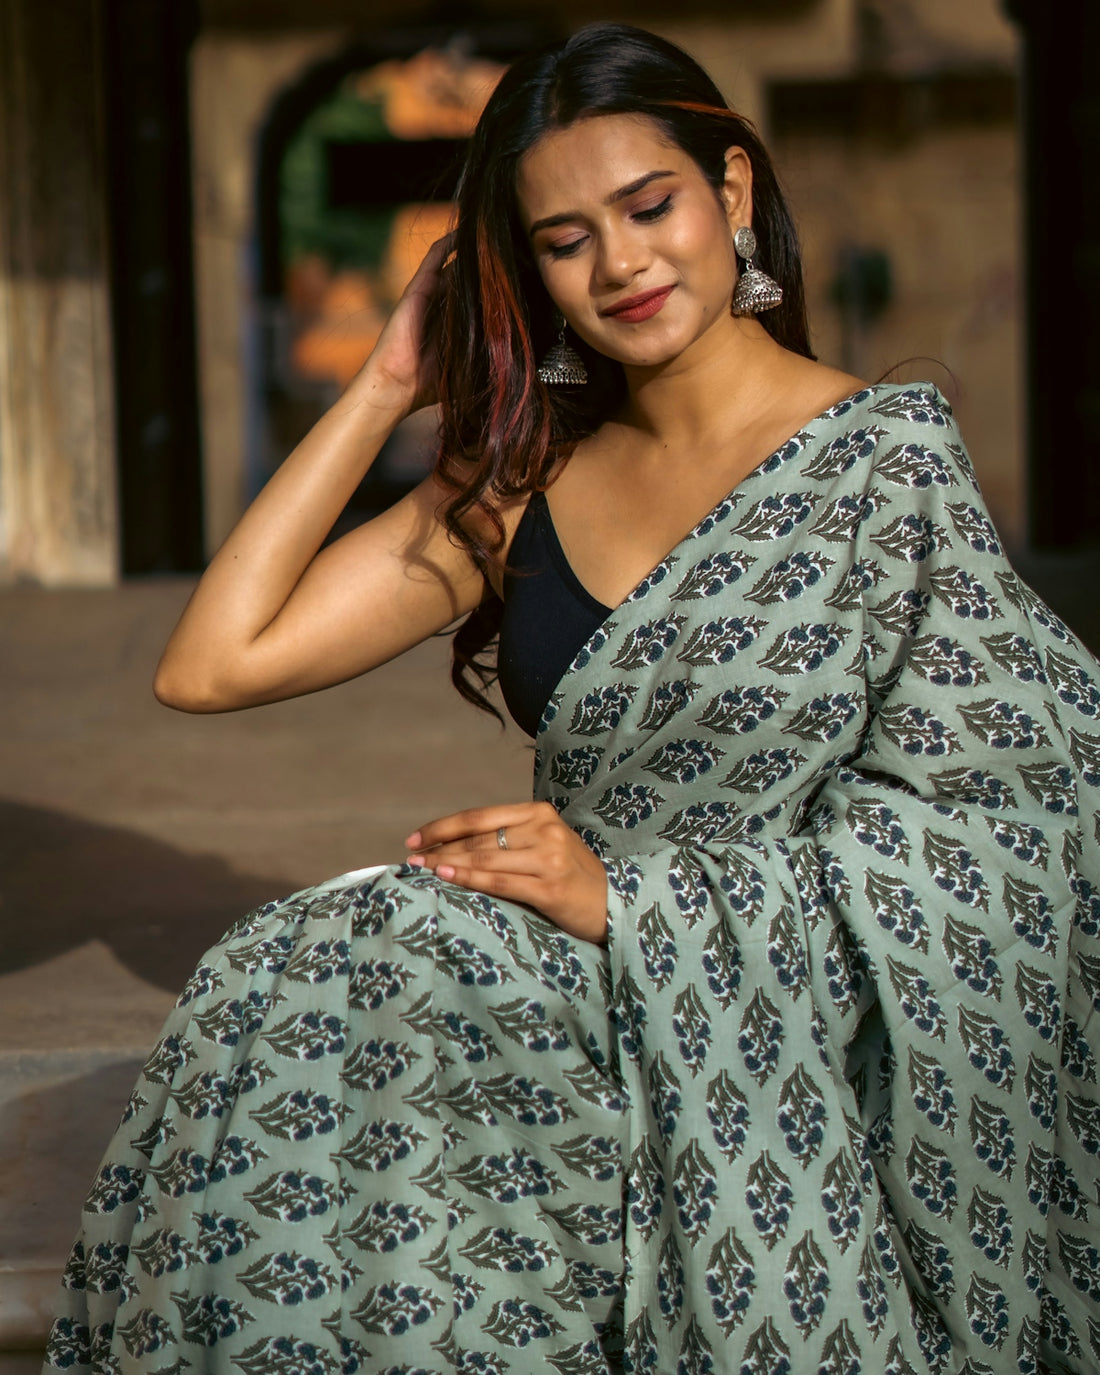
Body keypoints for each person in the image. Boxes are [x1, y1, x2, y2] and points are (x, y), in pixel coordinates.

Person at [43, 22, 1098, 1375]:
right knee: (297, 967)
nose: (620, 265)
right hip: (548, 976)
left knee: (366, 984)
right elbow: (212, 663)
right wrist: (381, 384)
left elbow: (1016, 832)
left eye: (650, 207)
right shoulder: (526, 478)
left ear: (728, 193)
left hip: (750, 1014)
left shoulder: (886, 470)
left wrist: (636, 904)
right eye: (562, 240)